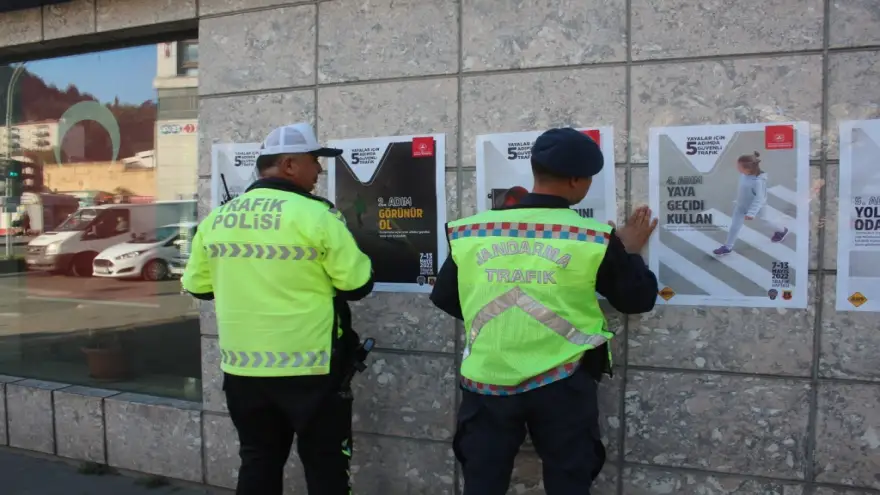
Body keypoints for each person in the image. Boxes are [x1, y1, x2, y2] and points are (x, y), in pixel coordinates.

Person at [430, 127, 659, 495]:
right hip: (562, 381)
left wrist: (499, 324)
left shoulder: (473, 231)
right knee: (569, 480)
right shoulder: (592, 237)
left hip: (487, 379)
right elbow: (637, 299)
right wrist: (628, 250)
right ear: (575, 180)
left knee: (482, 482)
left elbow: (444, 297)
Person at [182, 122, 374, 495]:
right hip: (311, 369)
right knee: (326, 467)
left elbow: (197, 287)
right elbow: (357, 285)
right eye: (314, 161)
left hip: (243, 368)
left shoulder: (217, 219)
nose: (319, 170)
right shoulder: (316, 216)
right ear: (288, 164)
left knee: (258, 461)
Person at [713, 151, 789, 256]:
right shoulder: (744, 175)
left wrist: (751, 213)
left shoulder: (758, 182)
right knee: (735, 226)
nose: (737, 168)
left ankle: (782, 230)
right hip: (741, 206)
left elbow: (760, 199)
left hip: (757, 208)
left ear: (748, 169)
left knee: (764, 221)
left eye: (739, 166)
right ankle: (727, 247)